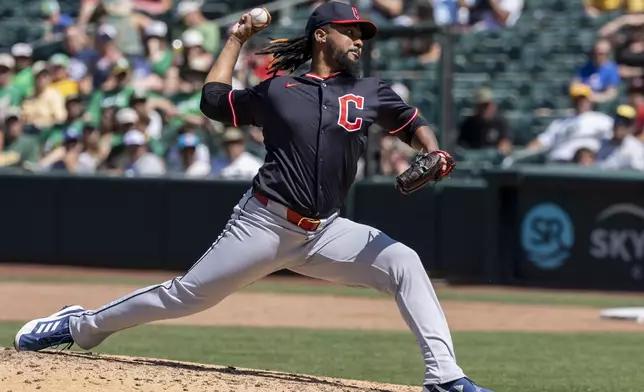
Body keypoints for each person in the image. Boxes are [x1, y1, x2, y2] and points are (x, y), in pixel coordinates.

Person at [13, 4, 491, 392]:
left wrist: (434, 150)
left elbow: (410, 121)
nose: (359, 39)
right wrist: (236, 39)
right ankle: (80, 327)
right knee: (186, 296)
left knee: (403, 261)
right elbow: (213, 101)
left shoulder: (370, 91)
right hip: (262, 224)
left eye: (362, 32)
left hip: (325, 231)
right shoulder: (281, 89)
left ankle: (444, 377)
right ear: (322, 35)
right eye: (350, 30)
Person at [595, 104, 644, 170]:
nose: (620, 126)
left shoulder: (635, 148)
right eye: (618, 121)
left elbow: (638, 173)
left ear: (631, 127)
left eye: (625, 123)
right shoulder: (601, 144)